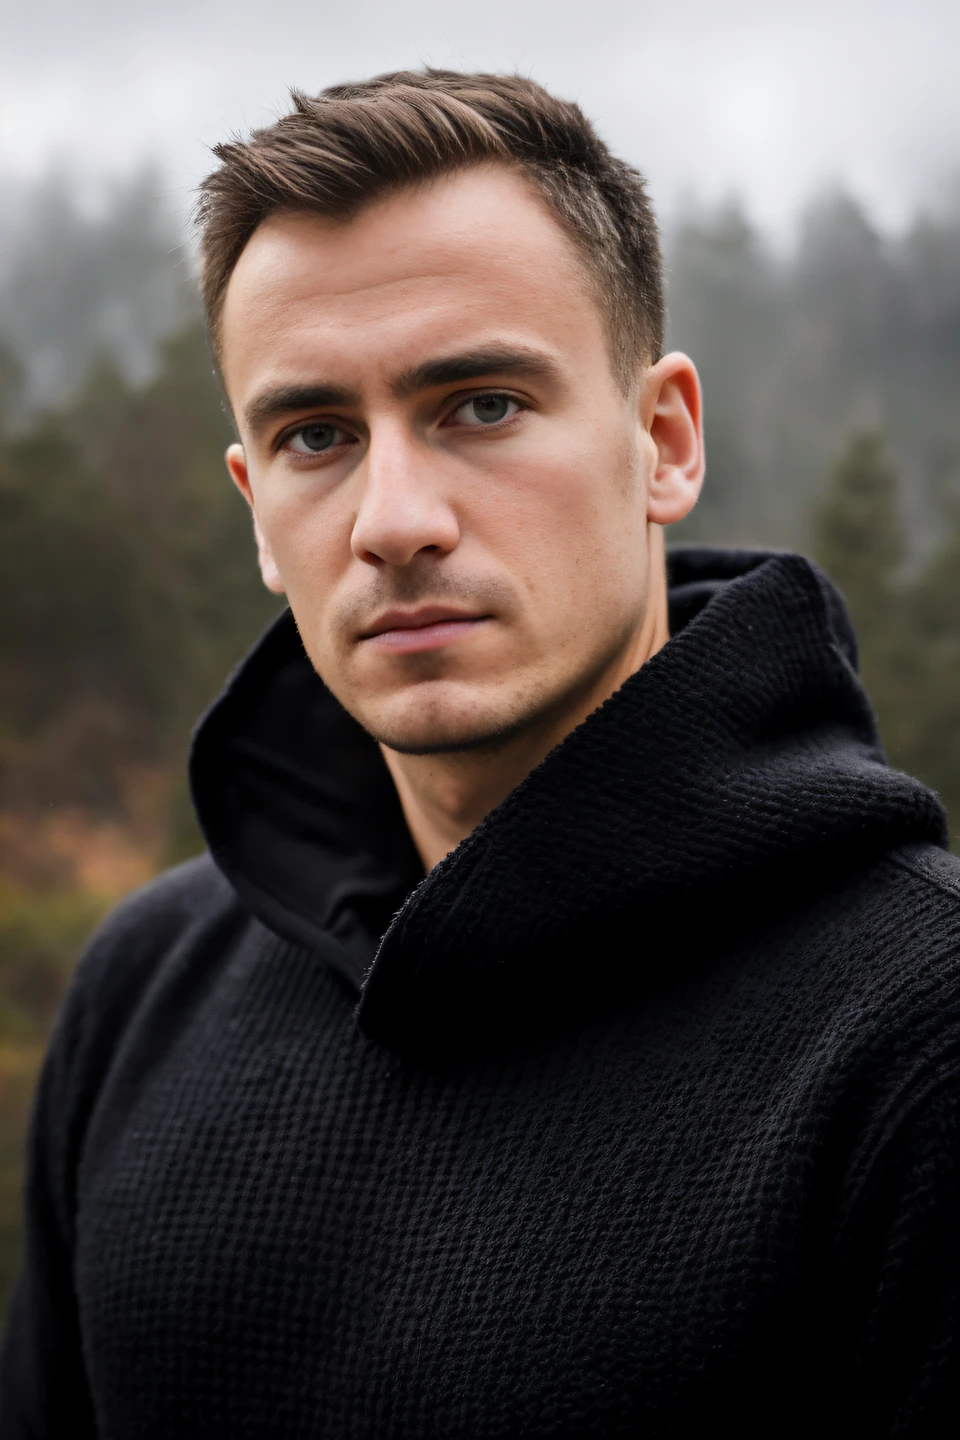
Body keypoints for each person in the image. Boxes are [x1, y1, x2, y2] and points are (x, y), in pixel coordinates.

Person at [2, 69, 959, 1438]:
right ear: (257, 514)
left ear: (663, 441)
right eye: (317, 436)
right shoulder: (146, 990)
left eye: (482, 405)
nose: (395, 520)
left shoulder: (919, 1040)